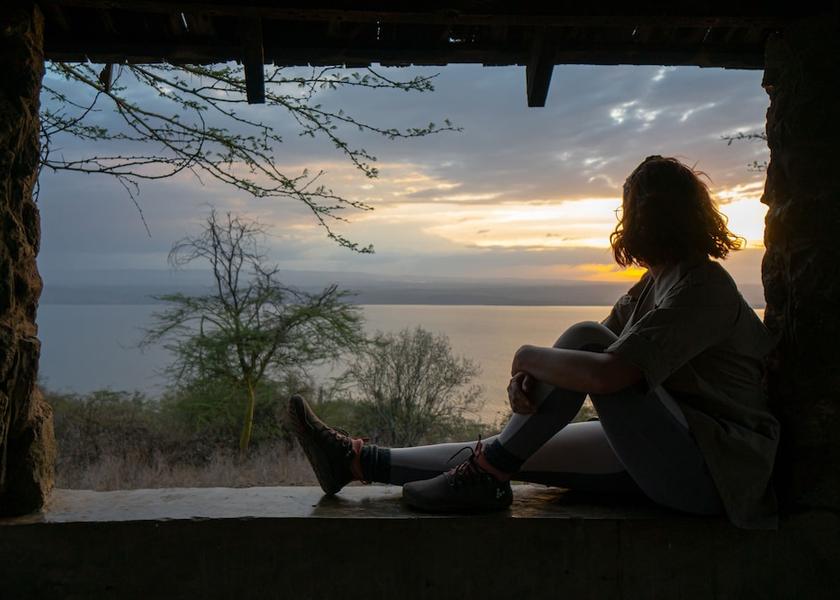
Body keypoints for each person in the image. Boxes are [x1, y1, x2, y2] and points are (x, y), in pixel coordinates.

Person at [287, 155, 780, 530]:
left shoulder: (705, 288)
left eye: (633, 209)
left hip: (714, 474)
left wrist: (525, 357)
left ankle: (486, 475)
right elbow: (582, 362)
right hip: (663, 448)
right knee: (507, 448)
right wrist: (533, 377)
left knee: (581, 345)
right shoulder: (655, 284)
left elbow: (603, 368)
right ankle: (355, 461)